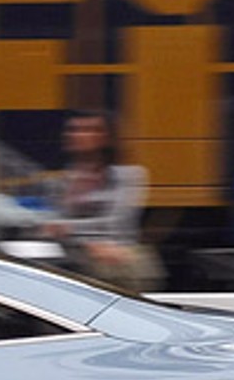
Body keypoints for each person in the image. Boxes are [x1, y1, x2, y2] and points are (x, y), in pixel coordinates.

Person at [43, 110, 163, 291]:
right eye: (74, 130)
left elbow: (116, 223)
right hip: (75, 257)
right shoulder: (60, 181)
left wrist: (68, 228)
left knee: (115, 263)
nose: (79, 135)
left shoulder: (129, 175)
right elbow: (49, 225)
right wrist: (85, 242)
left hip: (117, 256)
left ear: (106, 137)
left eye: (90, 130)